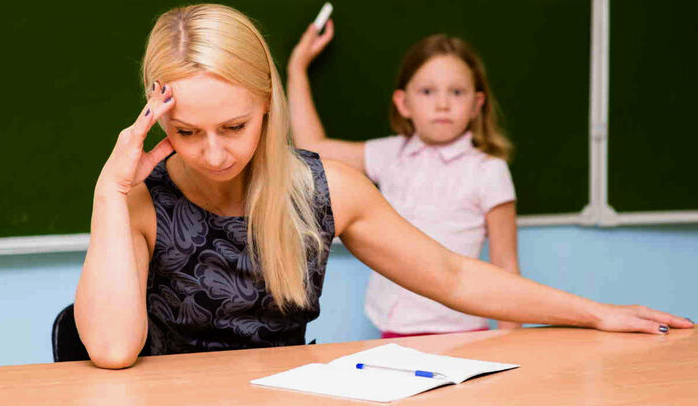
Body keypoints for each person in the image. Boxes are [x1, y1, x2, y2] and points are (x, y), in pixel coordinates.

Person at [74, 3, 692, 370]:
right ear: (155, 118)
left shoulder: (325, 189)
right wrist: (109, 193)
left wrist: (597, 313)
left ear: (267, 104)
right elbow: (112, 349)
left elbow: (452, 276)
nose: (214, 154)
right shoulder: (141, 197)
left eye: (234, 127)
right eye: (186, 132)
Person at [287, 23, 522, 337]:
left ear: (476, 105)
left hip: (463, 333)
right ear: (403, 103)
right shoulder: (389, 154)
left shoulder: (488, 170)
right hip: (392, 331)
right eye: (427, 91)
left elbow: (506, 266)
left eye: (457, 92)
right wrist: (297, 68)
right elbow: (313, 148)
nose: (442, 104)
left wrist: (512, 342)